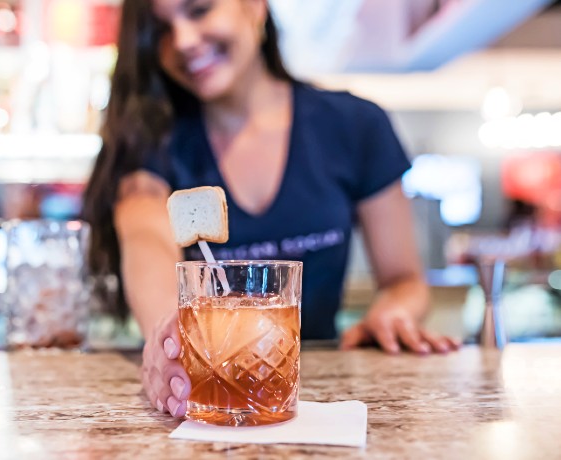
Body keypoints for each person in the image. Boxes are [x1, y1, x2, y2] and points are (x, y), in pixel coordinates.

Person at [82, 0, 460, 419]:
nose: (184, 41)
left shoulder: (355, 125)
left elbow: (404, 279)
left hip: (317, 399)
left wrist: (393, 311)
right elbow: (146, 237)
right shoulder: (151, 141)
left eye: (200, 10)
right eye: (161, 31)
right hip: (218, 394)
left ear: (255, 7)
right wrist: (166, 337)